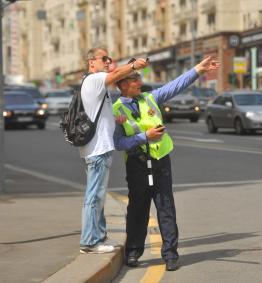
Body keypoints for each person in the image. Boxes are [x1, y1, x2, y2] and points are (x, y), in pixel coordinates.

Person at [113, 57, 220, 270]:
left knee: (166, 208)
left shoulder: (150, 98)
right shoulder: (116, 110)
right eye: (135, 79)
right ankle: (133, 252)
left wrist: (198, 69)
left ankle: (170, 255)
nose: (140, 82)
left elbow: (175, 85)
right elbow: (118, 143)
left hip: (161, 162)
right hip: (137, 165)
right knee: (137, 210)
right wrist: (145, 136)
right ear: (123, 84)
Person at [78, 47, 148, 254]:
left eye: (110, 59)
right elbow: (117, 74)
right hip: (97, 150)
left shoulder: (97, 83)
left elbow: (97, 113)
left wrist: (113, 120)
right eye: (104, 59)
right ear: (92, 62)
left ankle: (98, 236)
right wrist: (133, 65)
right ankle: (89, 242)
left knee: (98, 194)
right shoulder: (95, 79)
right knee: (94, 196)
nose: (109, 62)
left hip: (97, 148)